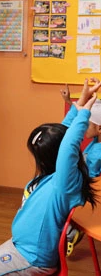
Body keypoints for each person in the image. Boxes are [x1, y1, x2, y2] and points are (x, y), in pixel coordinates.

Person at [0, 78, 99, 276]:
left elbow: (66, 144)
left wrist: (84, 113)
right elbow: (61, 135)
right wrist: (79, 103)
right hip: (19, 247)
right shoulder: (53, 176)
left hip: (30, 258)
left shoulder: (65, 183)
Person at [60, 81, 101, 255]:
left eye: (87, 124)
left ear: (99, 128)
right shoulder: (96, 143)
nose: (83, 127)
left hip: (87, 192)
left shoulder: (97, 153)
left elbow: (90, 178)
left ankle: (72, 231)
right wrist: (71, 103)